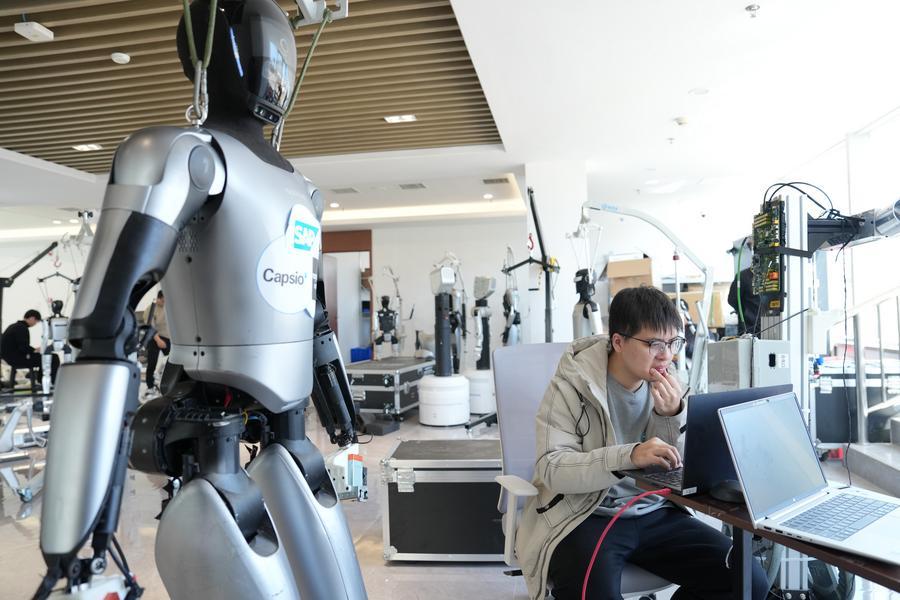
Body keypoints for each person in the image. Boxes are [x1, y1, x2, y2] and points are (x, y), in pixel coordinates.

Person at [516, 286, 769, 600]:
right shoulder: (570, 387)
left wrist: (672, 415)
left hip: (655, 511)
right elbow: (552, 468)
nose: (667, 354)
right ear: (618, 342)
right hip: (587, 515)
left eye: (674, 342)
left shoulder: (670, 384)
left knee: (749, 581)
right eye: (654, 344)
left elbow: (680, 465)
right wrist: (629, 456)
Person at [1, 309, 59, 385]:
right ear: (31, 318)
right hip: (17, 359)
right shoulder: (22, 328)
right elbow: (23, 347)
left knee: (44, 357)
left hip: (10, 357)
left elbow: (21, 346)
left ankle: (40, 380)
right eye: (36, 321)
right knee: (53, 357)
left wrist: (34, 350)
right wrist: (34, 350)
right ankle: (50, 382)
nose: (35, 323)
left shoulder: (14, 326)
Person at [143, 291, 170, 392]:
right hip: (155, 338)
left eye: (165, 301)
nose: (164, 303)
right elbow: (150, 327)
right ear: (158, 298)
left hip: (168, 338)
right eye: (162, 300)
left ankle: (168, 385)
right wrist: (158, 340)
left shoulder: (168, 307)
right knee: (152, 363)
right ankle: (150, 387)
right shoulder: (151, 309)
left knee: (171, 363)